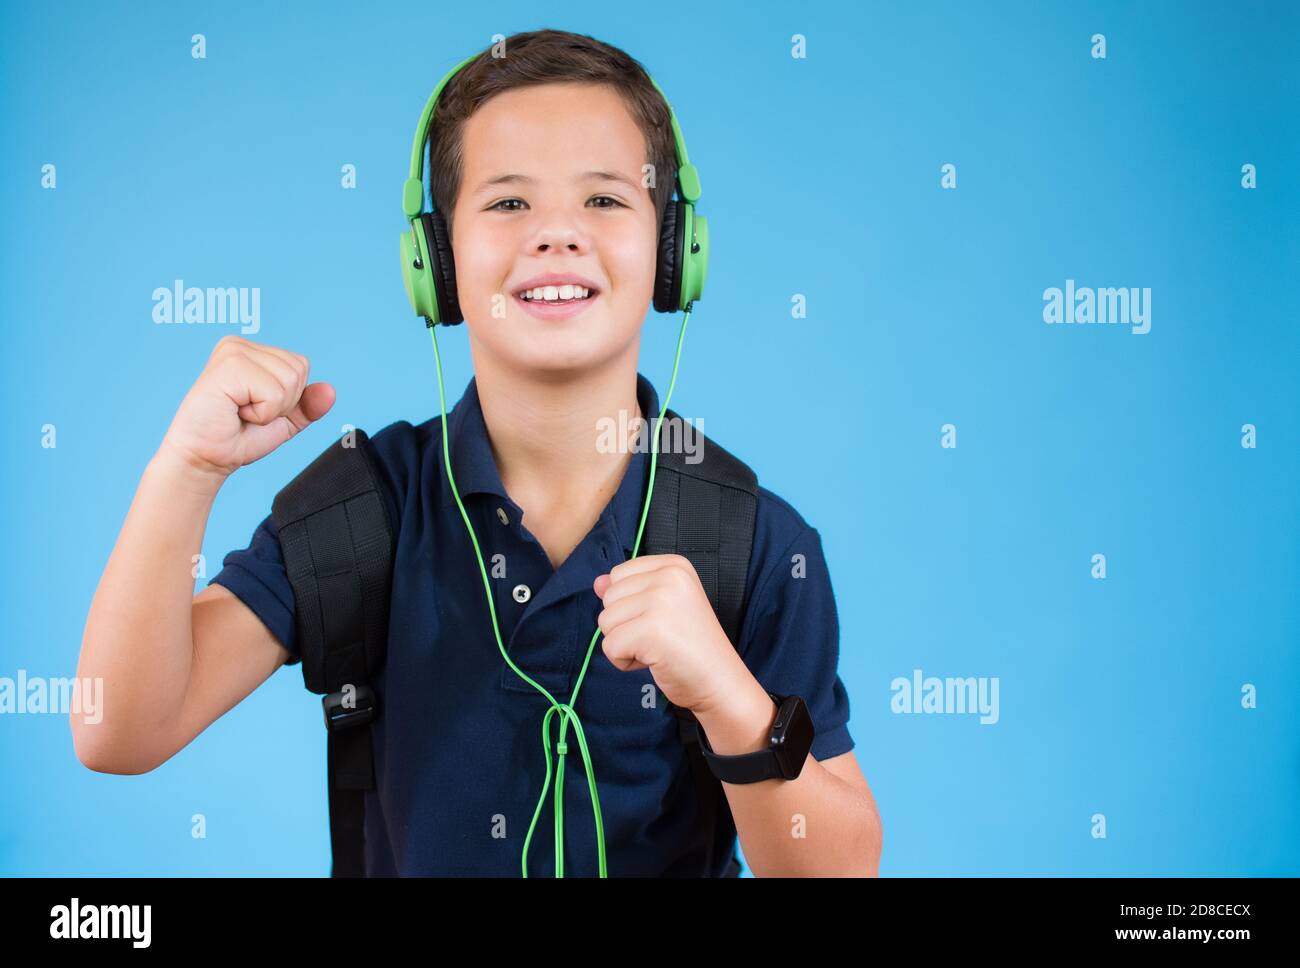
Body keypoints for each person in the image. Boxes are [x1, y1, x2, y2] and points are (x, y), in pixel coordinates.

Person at [74, 28, 882, 877]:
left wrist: (726, 691)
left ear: (674, 250)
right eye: (508, 203)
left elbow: (840, 869)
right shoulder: (367, 508)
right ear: (439, 261)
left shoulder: (753, 543)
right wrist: (187, 471)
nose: (558, 235)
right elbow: (118, 731)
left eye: (605, 200)